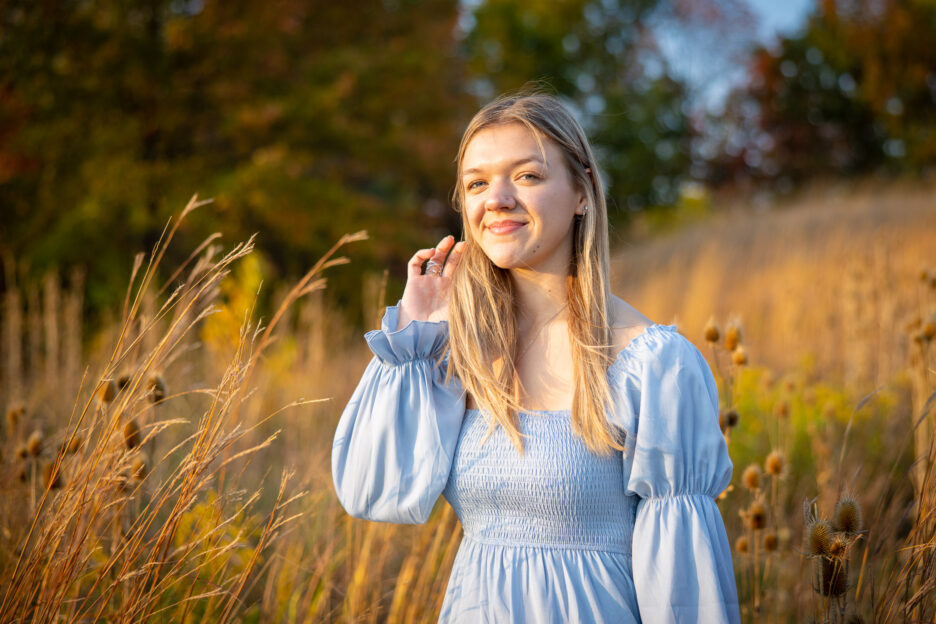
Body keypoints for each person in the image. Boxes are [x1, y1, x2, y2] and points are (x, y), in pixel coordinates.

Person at [332, 91, 740, 623]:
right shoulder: (458, 356)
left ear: (582, 194)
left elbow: (687, 589)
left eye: (526, 175)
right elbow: (374, 492)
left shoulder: (654, 365)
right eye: (477, 183)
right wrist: (417, 329)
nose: (496, 199)